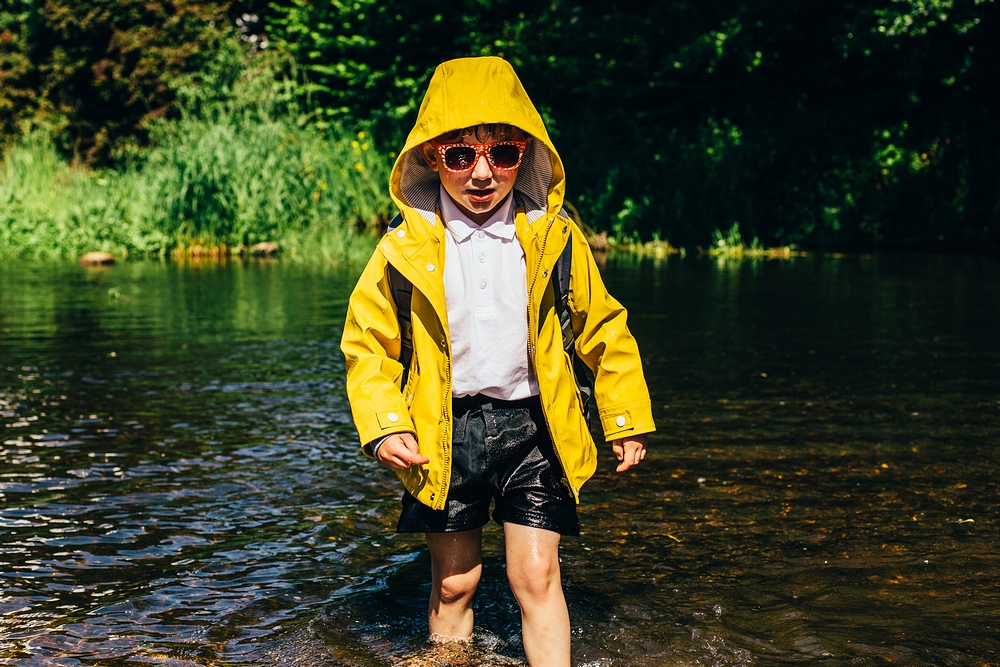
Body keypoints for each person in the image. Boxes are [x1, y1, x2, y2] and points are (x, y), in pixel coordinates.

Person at [341, 56, 655, 667]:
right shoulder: (403, 248)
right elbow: (367, 345)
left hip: (535, 428)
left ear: (525, 155)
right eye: (461, 155)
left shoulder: (553, 236)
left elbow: (603, 327)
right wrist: (386, 424)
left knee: (535, 577)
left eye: (502, 153)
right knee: (455, 583)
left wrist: (624, 415)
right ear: (432, 156)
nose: (482, 173)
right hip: (443, 430)